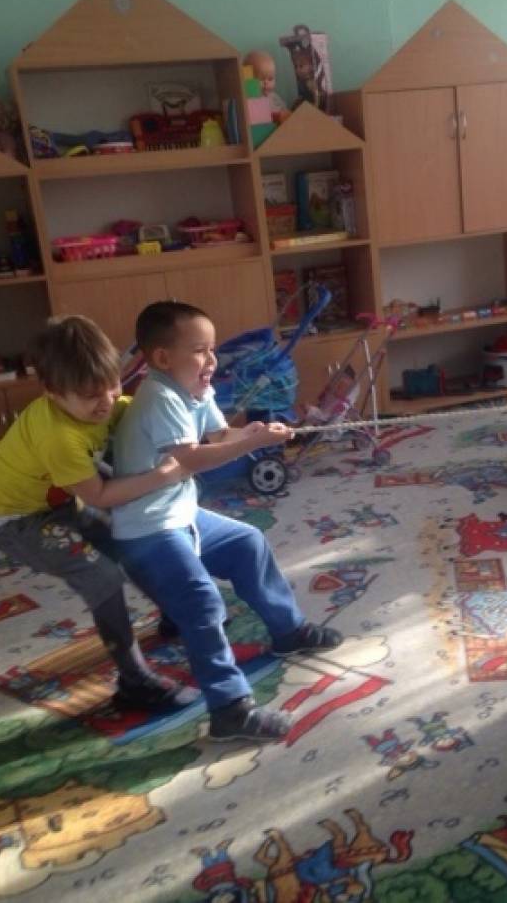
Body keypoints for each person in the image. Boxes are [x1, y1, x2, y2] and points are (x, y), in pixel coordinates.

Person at [111, 301, 343, 743]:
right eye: (200, 351)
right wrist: (249, 444)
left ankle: (288, 630)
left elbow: (219, 436)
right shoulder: (159, 396)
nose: (213, 361)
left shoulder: (194, 388)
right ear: (162, 358)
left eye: (212, 349)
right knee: (202, 602)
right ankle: (229, 708)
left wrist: (260, 432)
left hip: (178, 513)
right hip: (147, 530)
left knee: (246, 542)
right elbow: (193, 458)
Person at [0, 316, 199, 710]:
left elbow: (134, 412)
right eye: (90, 395)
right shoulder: (58, 437)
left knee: (129, 540)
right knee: (101, 574)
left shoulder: (99, 405)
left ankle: (173, 615)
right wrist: (162, 475)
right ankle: (135, 682)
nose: (107, 402)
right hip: (16, 521)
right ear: (52, 393)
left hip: (59, 501)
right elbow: (99, 495)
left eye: (113, 386)